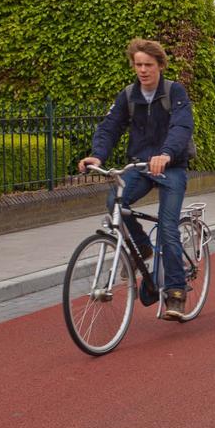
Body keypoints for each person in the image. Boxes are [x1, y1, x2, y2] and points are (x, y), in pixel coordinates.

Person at [78, 38, 195, 321]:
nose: (143, 70)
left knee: (168, 228)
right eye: (138, 65)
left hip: (171, 166)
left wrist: (166, 153)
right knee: (115, 202)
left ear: (160, 66)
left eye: (148, 65)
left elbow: (182, 126)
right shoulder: (128, 95)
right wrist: (97, 156)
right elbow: (110, 127)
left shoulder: (174, 91)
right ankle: (141, 245)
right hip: (140, 165)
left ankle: (176, 293)